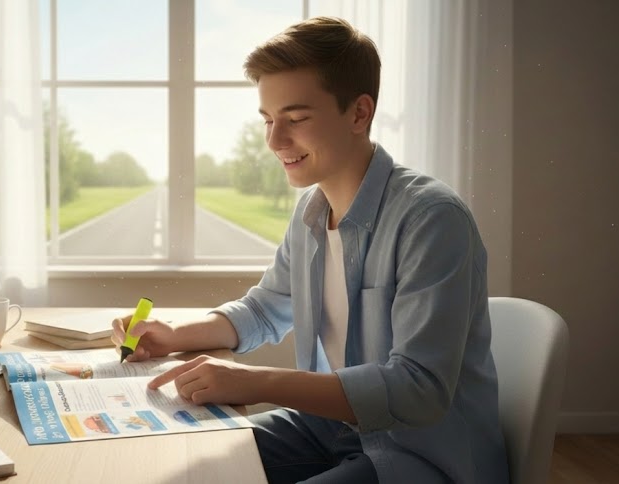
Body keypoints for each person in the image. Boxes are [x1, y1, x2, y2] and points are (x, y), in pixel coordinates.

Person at [111, 16, 509, 484]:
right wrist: (175, 334)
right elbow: (264, 310)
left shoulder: (431, 218)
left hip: (420, 457)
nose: (275, 141)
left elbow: (418, 390)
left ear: (360, 113)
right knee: (179, 463)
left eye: (296, 119)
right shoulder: (312, 213)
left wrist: (253, 381)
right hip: (329, 431)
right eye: (268, 120)